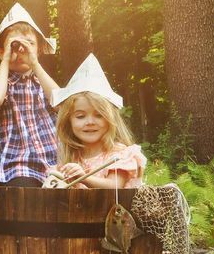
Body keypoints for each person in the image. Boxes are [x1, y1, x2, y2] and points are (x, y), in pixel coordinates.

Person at [0, 3, 60, 187]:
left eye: (30, 44)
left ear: (38, 50)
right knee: (26, 200)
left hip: (55, 161)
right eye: (14, 46)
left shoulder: (42, 81)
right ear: (1, 53)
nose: (22, 50)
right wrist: (7, 59)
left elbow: (62, 103)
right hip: (18, 165)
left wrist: (35, 63)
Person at [48, 53, 146, 189]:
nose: (90, 122)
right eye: (80, 116)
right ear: (68, 121)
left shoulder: (119, 154)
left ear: (110, 119)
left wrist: (84, 178)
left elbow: (115, 186)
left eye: (99, 115)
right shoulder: (72, 158)